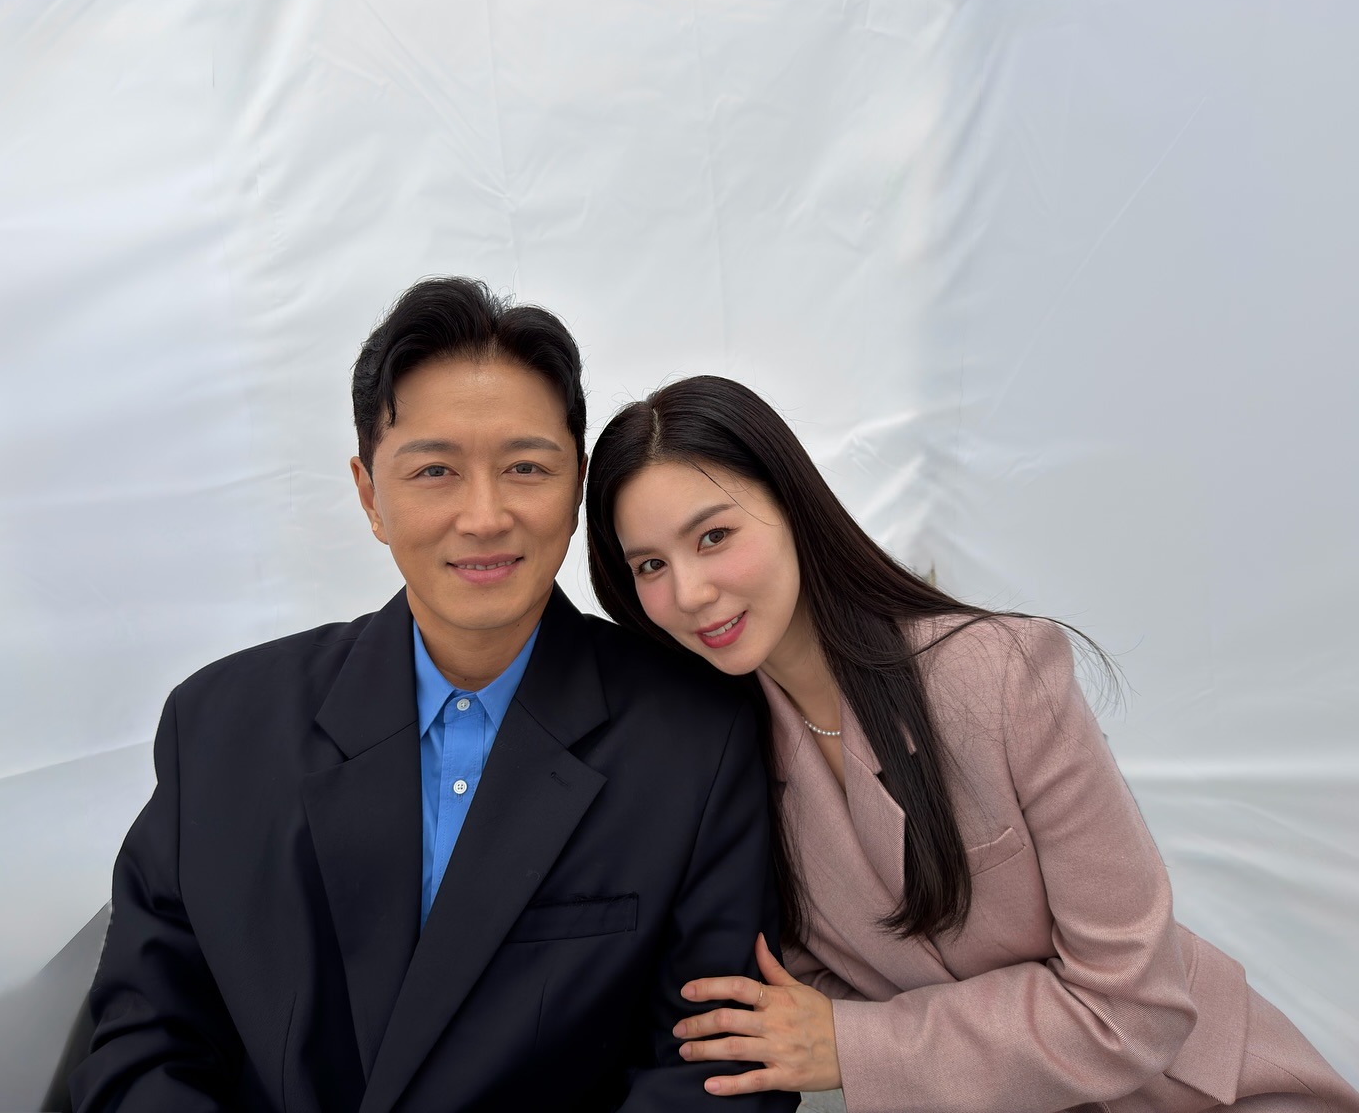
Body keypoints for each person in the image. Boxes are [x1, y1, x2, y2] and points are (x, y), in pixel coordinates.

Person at [70, 282, 797, 1113]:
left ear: (576, 489)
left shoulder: (695, 739)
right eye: (435, 471)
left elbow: (714, 1074)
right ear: (369, 495)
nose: (484, 516)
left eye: (525, 468)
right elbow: (143, 1041)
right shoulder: (218, 726)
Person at [584, 374, 1359, 1113]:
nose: (688, 592)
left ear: (794, 507)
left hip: (1203, 1094)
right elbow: (806, 988)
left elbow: (1136, 1004)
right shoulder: (721, 757)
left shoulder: (998, 677)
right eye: (651, 565)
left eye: (714, 536)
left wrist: (856, 1045)